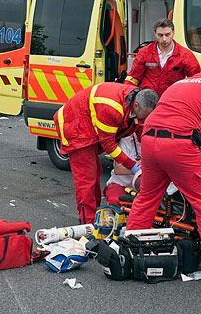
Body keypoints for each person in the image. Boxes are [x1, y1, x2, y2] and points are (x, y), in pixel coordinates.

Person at [125, 55, 201, 284]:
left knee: (147, 198)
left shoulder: (179, 84)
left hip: (150, 138)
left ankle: (131, 253)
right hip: (179, 144)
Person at [54, 83, 158, 224]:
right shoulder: (112, 109)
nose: (144, 119)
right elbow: (109, 145)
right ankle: (88, 224)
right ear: (137, 106)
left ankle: (95, 216)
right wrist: (133, 166)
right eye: (144, 115)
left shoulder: (134, 101)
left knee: (95, 173)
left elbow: (139, 127)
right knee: (87, 180)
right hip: (77, 127)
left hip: (87, 123)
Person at [124, 19, 200, 96]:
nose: (164, 39)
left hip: (172, 99)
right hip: (147, 100)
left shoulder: (185, 55)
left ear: (173, 33)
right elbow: (133, 77)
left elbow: (196, 80)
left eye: (167, 35)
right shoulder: (144, 52)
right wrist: (126, 95)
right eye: (160, 35)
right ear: (155, 34)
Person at [103, 133, 141, 207]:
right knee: (115, 201)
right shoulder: (127, 139)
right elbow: (118, 169)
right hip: (121, 184)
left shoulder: (158, 140)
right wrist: (139, 170)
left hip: (146, 189)